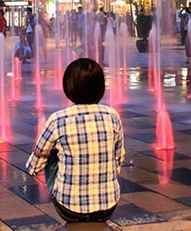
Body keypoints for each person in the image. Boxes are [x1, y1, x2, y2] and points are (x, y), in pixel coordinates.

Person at [25, 58, 125, 222]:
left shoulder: (58, 119)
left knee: (51, 154)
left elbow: (33, 168)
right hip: (108, 206)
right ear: (101, 88)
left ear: (68, 87)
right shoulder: (113, 116)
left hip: (68, 208)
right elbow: (118, 160)